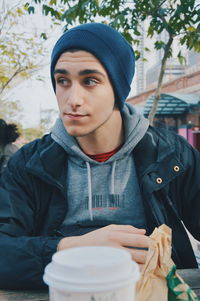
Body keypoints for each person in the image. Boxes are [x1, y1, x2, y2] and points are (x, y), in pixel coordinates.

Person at [0, 23, 199, 290]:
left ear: (118, 89)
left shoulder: (170, 154)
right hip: (64, 291)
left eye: (90, 81)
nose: (73, 99)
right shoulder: (29, 163)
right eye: (62, 81)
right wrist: (71, 249)